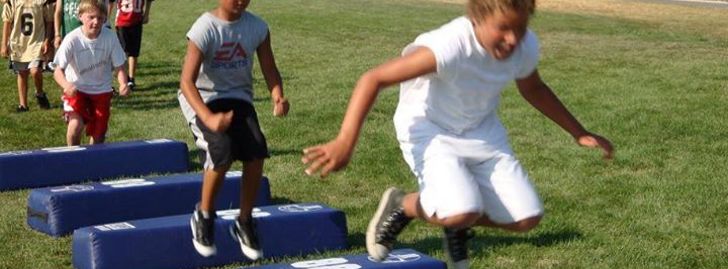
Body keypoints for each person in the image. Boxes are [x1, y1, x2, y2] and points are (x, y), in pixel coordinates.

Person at [302, 0, 614, 268]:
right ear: (477, 18)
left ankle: (455, 221)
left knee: (527, 217)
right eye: (503, 28)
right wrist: (345, 140)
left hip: (481, 132)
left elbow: (533, 87)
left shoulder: (524, 45)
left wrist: (578, 132)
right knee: (462, 207)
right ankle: (405, 205)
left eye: (519, 29)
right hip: (430, 128)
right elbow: (374, 79)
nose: (512, 39)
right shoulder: (450, 45)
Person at [178, 0, 289, 260]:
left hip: (238, 98)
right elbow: (186, 81)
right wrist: (208, 117)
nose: (240, 1)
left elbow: (269, 67)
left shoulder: (257, 27)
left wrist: (278, 95)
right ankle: (204, 215)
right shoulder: (205, 28)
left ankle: (244, 220)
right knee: (222, 149)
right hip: (203, 99)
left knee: (256, 149)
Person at [53, 0, 129, 146]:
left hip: (101, 91)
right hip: (77, 90)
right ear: (80, 16)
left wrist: (123, 83)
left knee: (99, 134)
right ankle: (72, 157)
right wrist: (66, 85)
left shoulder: (110, 37)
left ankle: (93, 161)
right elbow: (57, 70)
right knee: (75, 126)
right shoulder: (72, 39)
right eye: (91, 17)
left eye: (100, 18)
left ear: (105, 19)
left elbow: (119, 65)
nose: (95, 22)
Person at [1, 0, 53, 112]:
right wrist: (4, 45)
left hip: (36, 41)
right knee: (22, 73)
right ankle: (23, 105)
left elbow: (49, 21)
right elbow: (7, 22)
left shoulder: (42, 1)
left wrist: (47, 40)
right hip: (19, 42)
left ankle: (40, 93)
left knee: (35, 71)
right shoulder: (12, 1)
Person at [108, 0, 152, 91]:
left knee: (134, 51)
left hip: (136, 21)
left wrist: (147, 14)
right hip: (121, 22)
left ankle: (131, 79)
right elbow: (111, 2)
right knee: (122, 52)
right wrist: (106, 18)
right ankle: (123, 79)